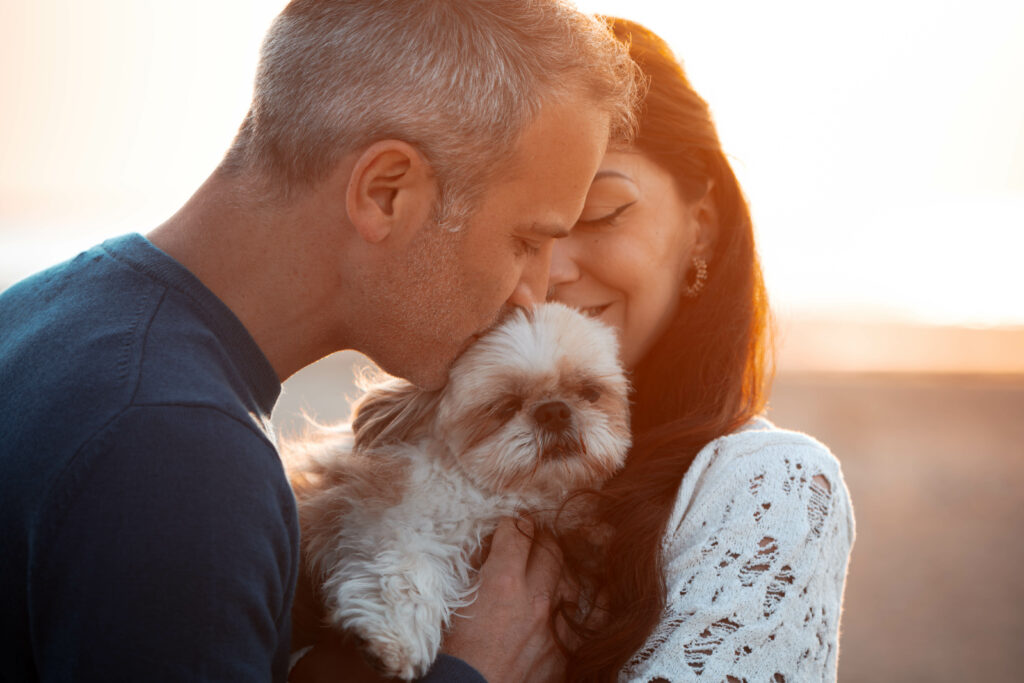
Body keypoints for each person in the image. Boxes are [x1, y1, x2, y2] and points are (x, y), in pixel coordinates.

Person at [0, 2, 640, 682]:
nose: (532, 292)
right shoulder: (176, 454)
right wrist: (472, 669)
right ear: (386, 193)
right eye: (526, 240)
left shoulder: (45, 316)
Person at [543, 17, 856, 682]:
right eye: (528, 226)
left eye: (600, 213)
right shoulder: (410, 453)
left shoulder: (766, 486)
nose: (552, 268)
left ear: (703, 230)